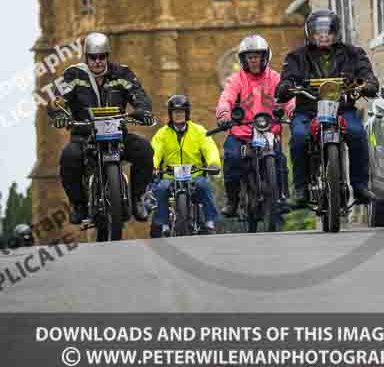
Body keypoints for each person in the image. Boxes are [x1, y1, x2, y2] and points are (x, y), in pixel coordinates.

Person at [47, 32, 155, 225]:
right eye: (93, 57)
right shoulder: (73, 75)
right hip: (84, 135)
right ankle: (78, 205)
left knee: (145, 150)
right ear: (86, 57)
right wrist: (59, 115)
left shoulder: (122, 73)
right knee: (69, 156)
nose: (97, 61)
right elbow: (56, 100)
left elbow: (138, 95)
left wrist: (143, 111)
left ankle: (138, 198)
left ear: (107, 56)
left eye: (102, 56)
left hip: (118, 134)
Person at [275, 9, 379, 206]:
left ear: (336, 33)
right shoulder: (296, 57)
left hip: (342, 109)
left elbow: (368, 77)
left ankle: (360, 187)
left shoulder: (354, 53)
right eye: (318, 32)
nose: (323, 36)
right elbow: (286, 81)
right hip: (308, 110)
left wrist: (366, 85)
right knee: (298, 138)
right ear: (310, 33)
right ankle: (300, 189)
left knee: (357, 133)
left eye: (328, 31)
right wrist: (286, 87)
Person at [215, 35, 294, 217]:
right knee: (232, 157)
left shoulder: (275, 78)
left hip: (268, 131)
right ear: (243, 60)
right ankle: (232, 200)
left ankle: (281, 196)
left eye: (257, 56)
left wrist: (292, 111)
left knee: (280, 159)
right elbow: (225, 98)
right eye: (250, 57)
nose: (254, 61)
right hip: (242, 132)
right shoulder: (236, 79)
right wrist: (224, 115)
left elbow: (288, 98)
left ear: (265, 57)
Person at [150, 95, 221, 236]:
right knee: (161, 188)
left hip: (195, 174)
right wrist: (153, 166)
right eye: (175, 112)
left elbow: (210, 147)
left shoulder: (199, 131)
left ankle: (210, 221)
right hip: (170, 175)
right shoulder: (162, 134)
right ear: (170, 114)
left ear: (187, 113)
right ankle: (163, 224)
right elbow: (155, 151)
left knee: (204, 186)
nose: (178, 115)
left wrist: (213, 163)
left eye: (181, 112)